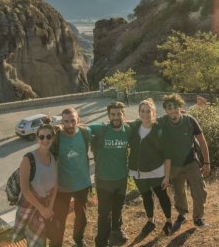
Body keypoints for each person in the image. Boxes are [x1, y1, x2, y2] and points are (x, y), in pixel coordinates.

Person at [158, 94, 210, 231]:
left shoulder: (189, 121)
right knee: (179, 192)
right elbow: (144, 122)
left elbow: (202, 142)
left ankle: (198, 218)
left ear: (180, 107)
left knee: (199, 191)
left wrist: (207, 163)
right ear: (165, 110)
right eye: (169, 108)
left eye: (175, 107)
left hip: (191, 162)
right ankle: (182, 215)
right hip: (174, 165)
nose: (172, 111)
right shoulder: (163, 121)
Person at [88, 101, 131, 247]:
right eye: (113, 114)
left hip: (121, 178)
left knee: (118, 208)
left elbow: (143, 123)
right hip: (104, 180)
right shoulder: (101, 129)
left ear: (123, 115)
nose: (116, 117)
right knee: (104, 214)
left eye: (119, 114)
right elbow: (80, 128)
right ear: (109, 116)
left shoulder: (128, 130)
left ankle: (116, 230)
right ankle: (101, 241)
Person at [128, 98, 173, 236]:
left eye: (148, 111)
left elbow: (167, 155)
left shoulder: (160, 129)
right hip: (138, 172)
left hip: (156, 172)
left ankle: (168, 221)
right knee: (146, 197)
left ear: (153, 112)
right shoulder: (135, 127)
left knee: (162, 196)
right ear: (139, 112)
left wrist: (166, 176)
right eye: (143, 111)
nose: (145, 114)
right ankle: (150, 221)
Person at [49, 108, 91, 247]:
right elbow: (42, 136)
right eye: (66, 121)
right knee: (59, 220)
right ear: (62, 122)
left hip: (82, 184)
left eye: (73, 120)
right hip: (62, 187)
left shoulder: (85, 133)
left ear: (78, 120)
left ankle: (78, 239)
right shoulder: (56, 137)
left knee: (82, 218)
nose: (70, 124)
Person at [13, 118, 58, 247]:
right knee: (36, 243)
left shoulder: (53, 158)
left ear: (53, 138)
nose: (45, 140)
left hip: (46, 204)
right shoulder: (28, 159)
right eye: (41, 136)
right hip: (32, 206)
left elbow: (55, 185)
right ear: (37, 138)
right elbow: (25, 190)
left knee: (47, 238)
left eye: (48, 136)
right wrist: (42, 209)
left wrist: (49, 208)